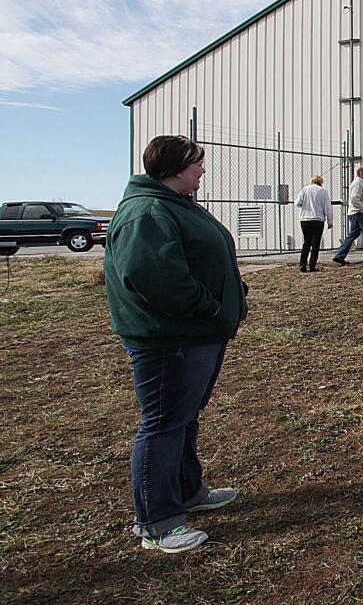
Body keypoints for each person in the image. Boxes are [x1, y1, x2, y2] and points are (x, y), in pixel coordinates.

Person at [104, 135, 249, 553]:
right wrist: (210, 306)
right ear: (172, 169)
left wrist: (229, 295)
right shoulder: (147, 212)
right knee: (163, 423)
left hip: (195, 336)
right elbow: (155, 278)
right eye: (196, 164)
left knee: (183, 418)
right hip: (171, 340)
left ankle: (188, 490)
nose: (202, 170)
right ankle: (157, 522)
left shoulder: (174, 205)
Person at [333, 166, 363, 264]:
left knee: (352, 235)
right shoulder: (358, 183)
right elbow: (354, 199)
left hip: (356, 214)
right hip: (359, 214)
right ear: (361, 173)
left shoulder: (360, 183)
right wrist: (362, 210)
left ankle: (339, 256)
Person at [294, 175, 334, 272]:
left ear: (312, 181)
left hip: (305, 219)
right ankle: (312, 265)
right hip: (318, 220)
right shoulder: (323, 191)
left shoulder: (305, 189)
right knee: (315, 243)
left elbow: (297, 203)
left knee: (306, 242)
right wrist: (330, 221)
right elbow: (327, 208)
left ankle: (302, 265)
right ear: (321, 182)